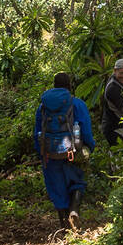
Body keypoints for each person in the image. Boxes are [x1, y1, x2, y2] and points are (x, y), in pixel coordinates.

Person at [34, 72, 95, 230]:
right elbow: (86, 131)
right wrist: (89, 147)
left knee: (57, 189)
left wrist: (41, 153)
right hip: (72, 152)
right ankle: (74, 211)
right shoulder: (77, 104)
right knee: (77, 182)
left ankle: (64, 228)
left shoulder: (43, 107)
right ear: (70, 86)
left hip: (50, 155)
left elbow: (37, 133)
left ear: (54, 86)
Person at [101, 58, 123, 146]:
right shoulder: (112, 88)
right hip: (114, 129)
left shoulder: (120, 83)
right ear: (115, 70)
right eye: (122, 73)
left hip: (121, 128)